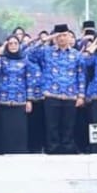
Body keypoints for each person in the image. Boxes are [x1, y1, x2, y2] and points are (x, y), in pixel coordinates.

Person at [25, 24, 85, 154]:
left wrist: (81, 95)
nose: (62, 38)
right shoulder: (47, 52)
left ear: (69, 37)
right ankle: (53, 148)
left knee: (68, 124)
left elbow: (81, 75)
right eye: (59, 36)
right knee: (52, 125)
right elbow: (29, 54)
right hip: (51, 94)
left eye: (64, 35)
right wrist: (44, 40)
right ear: (55, 37)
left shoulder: (76, 54)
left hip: (70, 94)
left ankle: (67, 148)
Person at [0, 35, 31, 154]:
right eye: (10, 43)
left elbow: (29, 80)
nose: (13, 46)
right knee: (4, 128)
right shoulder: (2, 59)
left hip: (20, 99)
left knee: (19, 128)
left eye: (15, 43)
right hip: (4, 99)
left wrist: (29, 99)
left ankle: (19, 151)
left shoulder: (24, 60)